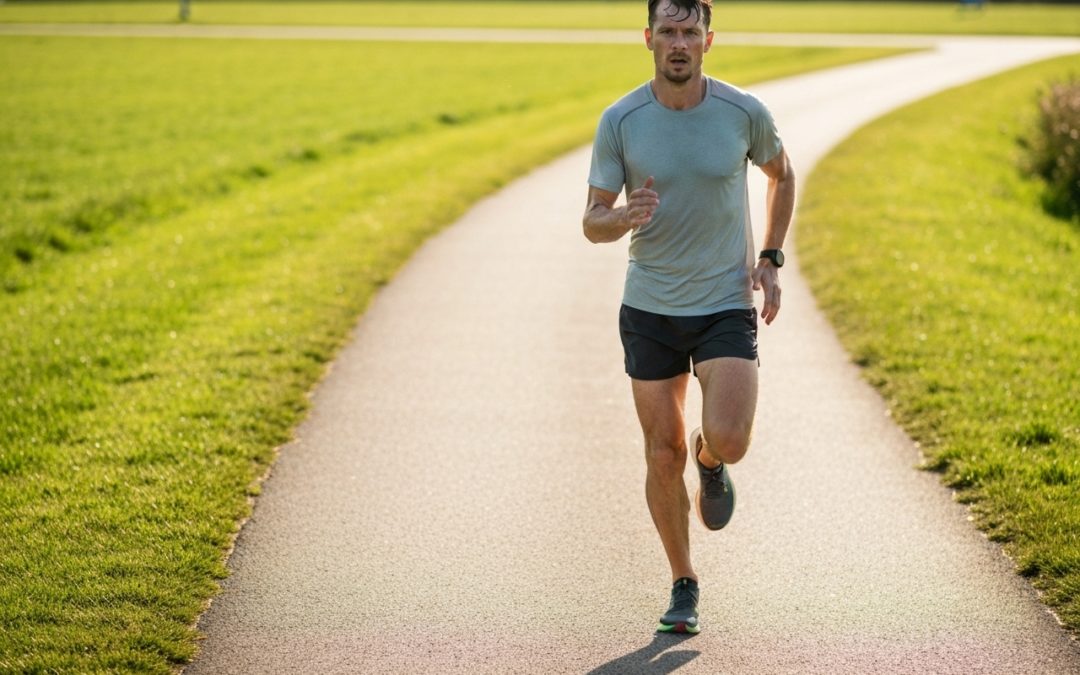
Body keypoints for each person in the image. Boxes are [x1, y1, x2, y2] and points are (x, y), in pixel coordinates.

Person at [582, 0, 795, 634]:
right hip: (650, 307)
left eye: (690, 32)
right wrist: (622, 216)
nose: (679, 42)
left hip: (725, 300)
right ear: (648, 38)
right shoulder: (621, 120)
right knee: (660, 451)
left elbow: (782, 174)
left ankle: (713, 461)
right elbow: (592, 220)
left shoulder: (742, 112)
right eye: (668, 31)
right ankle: (683, 582)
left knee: (728, 438)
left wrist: (771, 258)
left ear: (709, 40)